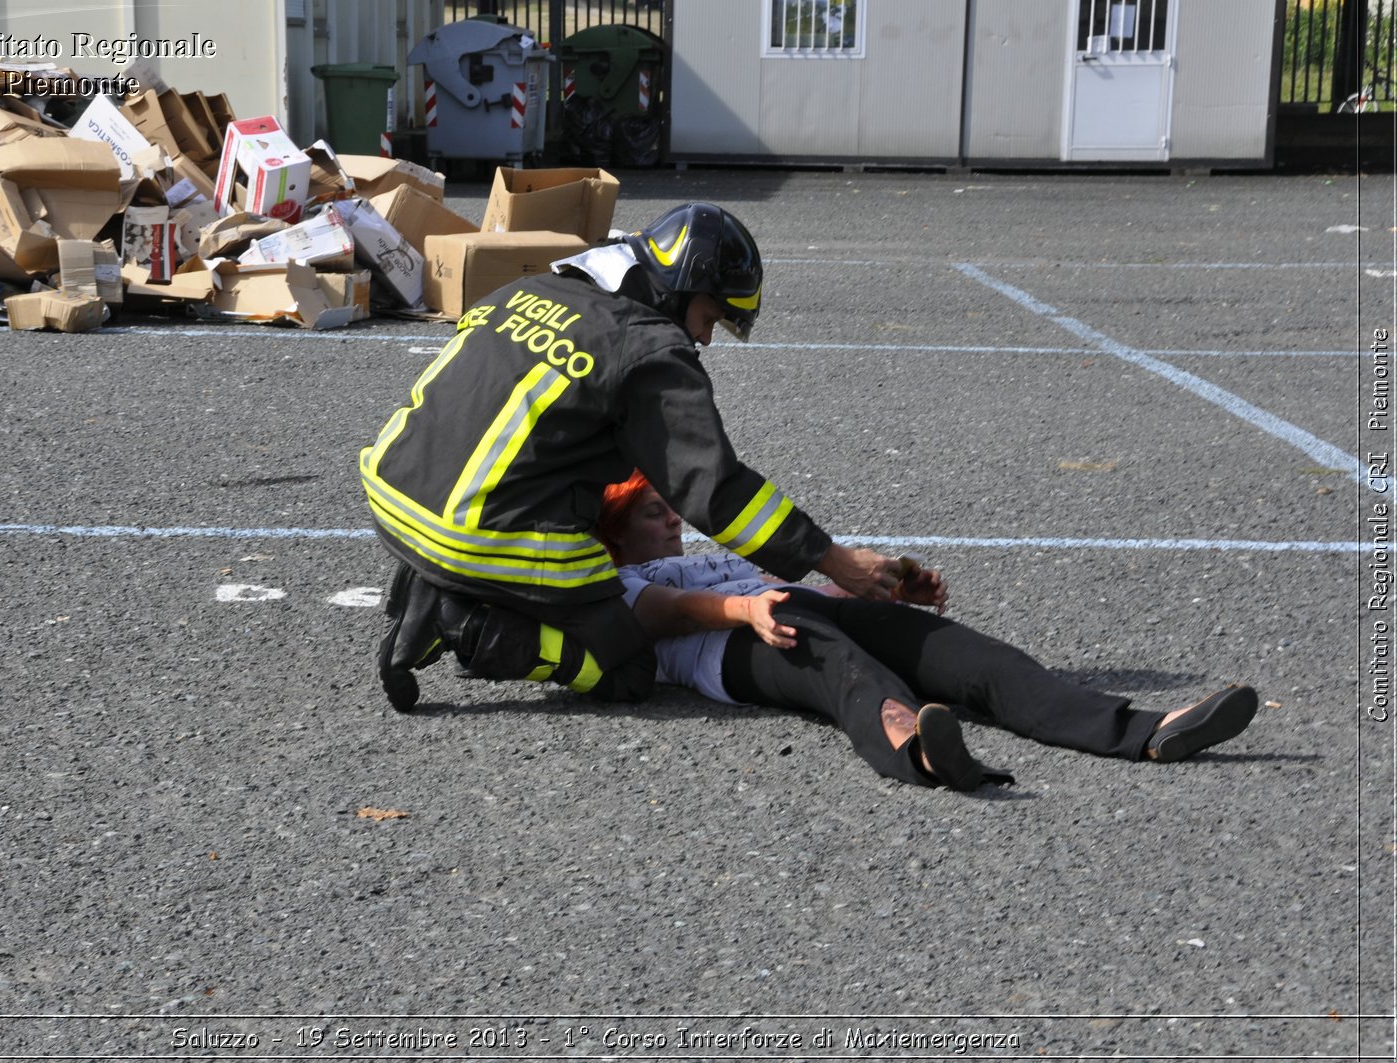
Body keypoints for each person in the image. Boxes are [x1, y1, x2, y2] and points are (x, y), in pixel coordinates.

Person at [364, 203, 914, 711]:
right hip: (475, 532)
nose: (707, 337)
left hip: (393, 491)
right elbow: (716, 492)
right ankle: (465, 621)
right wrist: (835, 561)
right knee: (626, 669)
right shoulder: (649, 349)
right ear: (682, 287)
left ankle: (442, 584)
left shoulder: (525, 290)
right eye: (710, 316)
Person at [598, 470, 1259, 791]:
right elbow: (669, 612)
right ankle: (920, 748)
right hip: (735, 645)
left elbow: (807, 587)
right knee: (840, 667)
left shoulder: (702, 557)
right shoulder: (610, 578)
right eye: (653, 514)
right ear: (617, 526)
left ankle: (1145, 728)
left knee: (954, 649)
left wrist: (882, 587)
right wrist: (744, 611)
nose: (673, 523)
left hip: (789, 604)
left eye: (670, 509)